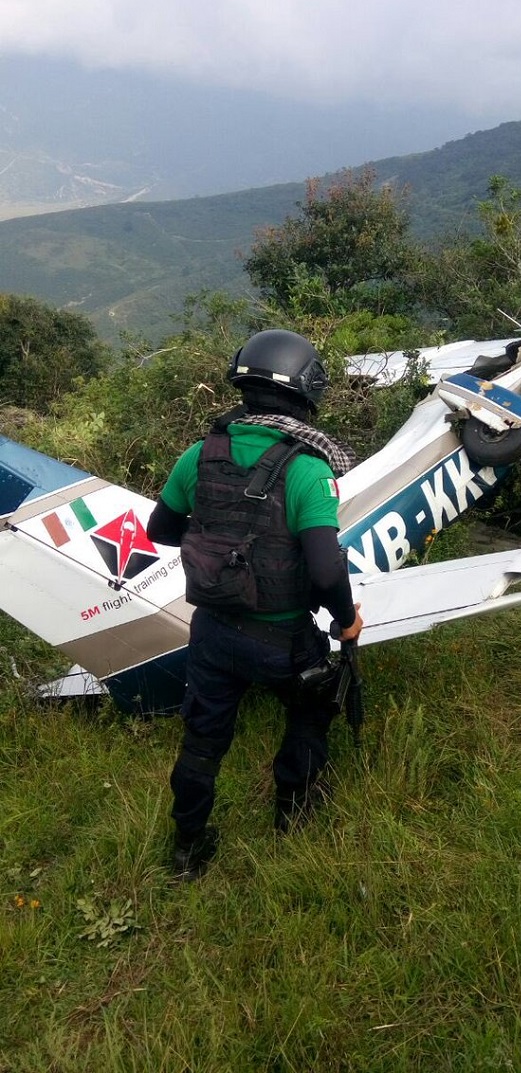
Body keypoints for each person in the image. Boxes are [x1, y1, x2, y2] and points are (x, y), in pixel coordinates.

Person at [146, 328, 363, 881]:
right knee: (313, 711)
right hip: (282, 636)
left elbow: (162, 530)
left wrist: (223, 534)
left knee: (203, 739)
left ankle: (187, 850)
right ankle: (293, 818)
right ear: (307, 392)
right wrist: (346, 619)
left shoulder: (199, 454)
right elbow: (324, 567)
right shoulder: (309, 469)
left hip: (212, 632)